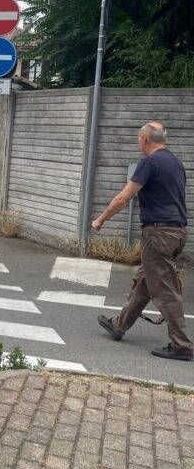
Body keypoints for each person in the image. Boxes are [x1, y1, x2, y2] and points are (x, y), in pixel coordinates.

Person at [93, 120, 192, 361]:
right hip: (177, 232)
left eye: (139, 139)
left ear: (145, 140)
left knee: (165, 290)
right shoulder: (175, 162)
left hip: (158, 234)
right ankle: (119, 325)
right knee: (145, 282)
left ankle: (182, 345)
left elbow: (124, 197)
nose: (138, 142)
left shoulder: (148, 162)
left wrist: (101, 219)